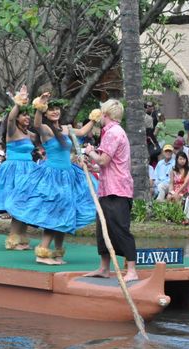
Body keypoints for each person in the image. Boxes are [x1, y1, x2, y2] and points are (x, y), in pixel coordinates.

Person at [5, 93, 96, 265]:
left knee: (66, 212)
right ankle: (43, 253)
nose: (54, 112)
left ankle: (58, 253)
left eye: (57, 109)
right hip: (53, 176)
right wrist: (41, 105)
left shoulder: (67, 129)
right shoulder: (46, 129)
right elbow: (37, 123)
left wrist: (96, 117)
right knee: (55, 213)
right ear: (46, 113)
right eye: (51, 110)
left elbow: (83, 131)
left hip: (68, 175)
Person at [84, 99, 138, 282]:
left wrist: (90, 151)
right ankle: (104, 268)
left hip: (118, 189)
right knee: (103, 229)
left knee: (120, 228)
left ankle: (132, 270)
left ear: (105, 114)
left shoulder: (114, 133)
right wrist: (93, 167)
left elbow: (103, 160)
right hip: (107, 188)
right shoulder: (111, 132)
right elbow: (107, 165)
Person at [0, 85, 38, 250]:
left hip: (29, 170)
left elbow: (41, 128)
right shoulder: (12, 130)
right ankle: (13, 240)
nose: (27, 117)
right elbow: (10, 117)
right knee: (17, 204)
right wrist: (19, 102)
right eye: (24, 115)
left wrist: (40, 108)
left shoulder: (29, 134)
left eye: (27, 114)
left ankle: (22, 238)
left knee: (25, 204)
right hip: (14, 170)